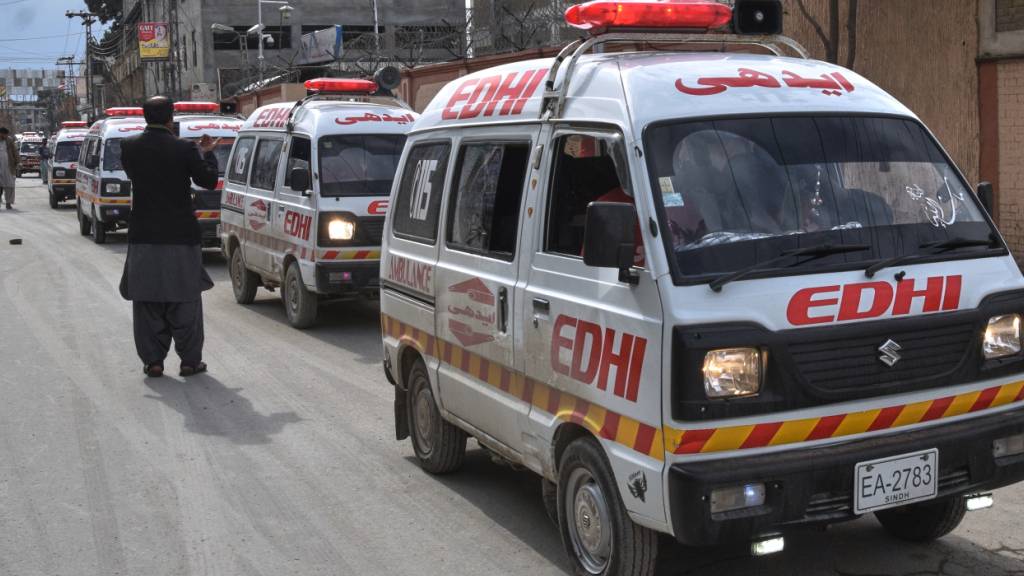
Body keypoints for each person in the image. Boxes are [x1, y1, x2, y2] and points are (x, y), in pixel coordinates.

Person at [118, 96, 221, 378]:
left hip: (143, 237)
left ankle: (153, 362)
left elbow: (137, 175)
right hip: (180, 237)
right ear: (170, 118)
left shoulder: (129, 147)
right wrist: (207, 153)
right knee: (185, 300)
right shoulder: (185, 148)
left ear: (144, 117)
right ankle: (189, 361)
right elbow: (208, 181)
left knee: (147, 301)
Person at [0, 127, 19, 209]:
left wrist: (18, 161)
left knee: (10, 185)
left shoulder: (9, 140)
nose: (6, 136)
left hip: (9, 167)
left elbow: (15, 151)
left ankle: (8, 203)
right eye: (4, 134)